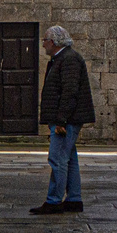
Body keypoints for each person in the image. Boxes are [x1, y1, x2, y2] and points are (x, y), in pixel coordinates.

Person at [30, 25, 95, 215]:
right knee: (69, 159)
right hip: (67, 119)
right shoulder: (61, 59)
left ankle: (54, 200)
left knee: (57, 159)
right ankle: (74, 199)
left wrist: (61, 120)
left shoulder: (69, 59)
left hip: (67, 120)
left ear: (53, 42)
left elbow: (70, 92)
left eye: (44, 41)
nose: (43, 45)